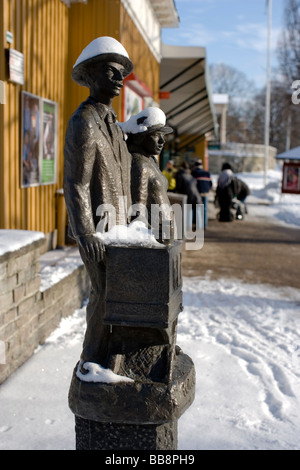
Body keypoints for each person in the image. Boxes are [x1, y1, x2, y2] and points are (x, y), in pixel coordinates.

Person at [63, 37, 134, 370]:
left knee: (121, 295)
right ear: (90, 75)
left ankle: (114, 356)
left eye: (121, 72)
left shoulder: (115, 128)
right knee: (104, 294)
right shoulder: (84, 122)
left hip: (120, 227)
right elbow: (75, 182)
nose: (119, 79)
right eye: (110, 71)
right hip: (99, 231)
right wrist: (85, 232)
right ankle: (92, 359)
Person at [119, 107, 174, 243]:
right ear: (141, 136)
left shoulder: (150, 160)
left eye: (163, 135)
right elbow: (137, 209)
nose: (162, 141)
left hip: (163, 234)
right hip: (157, 235)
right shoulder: (139, 163)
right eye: (156, 135)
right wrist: (148, 234)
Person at [191, 160, 212, 229]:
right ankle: (204, 225)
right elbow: (210, 184)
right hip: (205, 193)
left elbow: (192, 184)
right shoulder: (207, 173)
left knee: (198, 209)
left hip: (197, 194)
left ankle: (198, 226)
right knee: (204, 209)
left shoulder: (194, 173)